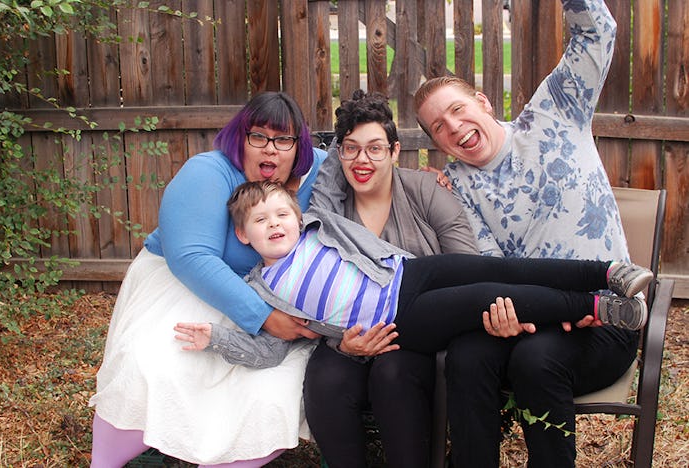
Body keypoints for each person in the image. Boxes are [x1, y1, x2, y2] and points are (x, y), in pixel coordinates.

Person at [414, 1, 634, 466]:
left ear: (484, 103)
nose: (454, 127)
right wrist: (505, 311)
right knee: (467, 355)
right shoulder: (458, 189)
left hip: (608, 318)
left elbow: (597, 32)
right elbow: (493, 268)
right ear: (437, 144)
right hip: (534, 317)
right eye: (439, 127)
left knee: (536, 361)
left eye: (458, 109)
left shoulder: (554, 113)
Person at [172, 180, 651, 369]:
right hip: (400, 319)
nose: (274, 224)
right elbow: (268, 351)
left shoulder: (321, 225)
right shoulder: (260, 290)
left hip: (408, 273)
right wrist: (214, 338)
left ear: (298, 218)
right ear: (242, 235)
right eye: (260, 220)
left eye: (281, 214)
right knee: (491, 293)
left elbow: (339, 163)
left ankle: (606, 272)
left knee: (499, 266)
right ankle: (602, 308)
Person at [88, 91, 328, 468]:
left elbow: (371, 171)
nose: (271, 150)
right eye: (259, 136)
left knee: (272, 389)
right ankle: (106, 462)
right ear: (240, 137)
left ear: (299, 146)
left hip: (276, 294)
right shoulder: (207, 172)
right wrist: (264, 316)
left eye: (283, 139)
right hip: (186, 287)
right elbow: (191, 258)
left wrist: (432, 183)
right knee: (155, 364)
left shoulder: (319, 172)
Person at [302, 89, 479, 468]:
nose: (362, 160)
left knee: (393, 372)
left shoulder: (426, 191)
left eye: (375, 148)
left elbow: (468, 267)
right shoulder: (333, 213)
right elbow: (314, 285)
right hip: (350, 336)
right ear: (339, 154)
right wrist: (342, 343)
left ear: (395, 151)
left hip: (419, 338)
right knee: (325, 379)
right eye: (350, 148)